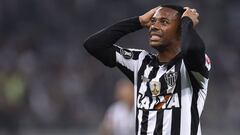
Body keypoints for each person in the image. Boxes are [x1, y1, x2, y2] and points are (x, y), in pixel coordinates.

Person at [84, 4, 211, 135]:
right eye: (153, 21)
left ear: (180, 29)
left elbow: (192, 49)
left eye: (164, 22)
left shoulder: (189, 65)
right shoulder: (140, 62)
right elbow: (94, 45)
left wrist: (187, 22)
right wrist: (138, 21)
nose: (154, 26)